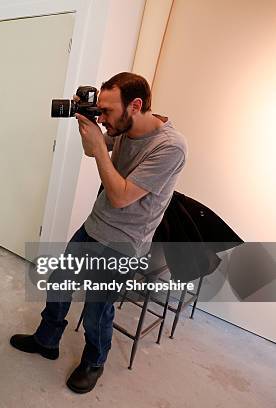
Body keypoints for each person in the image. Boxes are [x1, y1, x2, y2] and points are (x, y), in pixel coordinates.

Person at [10, 72, 187, 393]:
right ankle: (46, 340)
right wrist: (86, 125)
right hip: (94, 225)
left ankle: (94, 361)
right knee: (59, 284)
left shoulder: (170, 147)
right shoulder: (120, 125)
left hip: (124, 243)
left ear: (135, 105)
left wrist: (100, 148)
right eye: (99, 111)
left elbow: (120, 196)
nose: (102, 119)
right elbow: (94, 150)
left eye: (106, 112)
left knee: (96, 310)